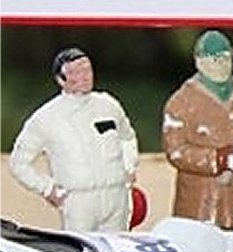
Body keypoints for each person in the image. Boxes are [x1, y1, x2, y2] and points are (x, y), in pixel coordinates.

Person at [9, 48, 139, 232]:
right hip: (79, 200)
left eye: (87, 70)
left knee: (118, 244)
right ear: (60, 79)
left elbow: (127, 138)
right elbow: (18, 163)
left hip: (116, 195)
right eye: (75, 72)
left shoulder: (108, 105)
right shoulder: (46, 118)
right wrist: (47, 188)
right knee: (81, 245)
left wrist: (129, 165)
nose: (84, 77)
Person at [162, 30, 233, 230]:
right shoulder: (181, 103)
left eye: (226, 58)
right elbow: (176, 151)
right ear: (199, 62)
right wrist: (215, 159)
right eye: (215, 59)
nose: (221, 64)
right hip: (201, 208)